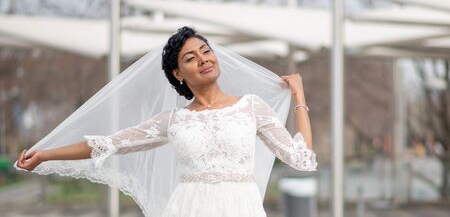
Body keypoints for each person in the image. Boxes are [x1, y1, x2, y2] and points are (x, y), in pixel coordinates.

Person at [16, 26, 317, 217]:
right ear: (178, 74)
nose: (203, 60)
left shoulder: (252, 107)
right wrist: (45, 154)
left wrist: (299, 98)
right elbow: (106, 144)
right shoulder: (173, 120)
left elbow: (301, 159)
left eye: (206, 51)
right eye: (190, 58)